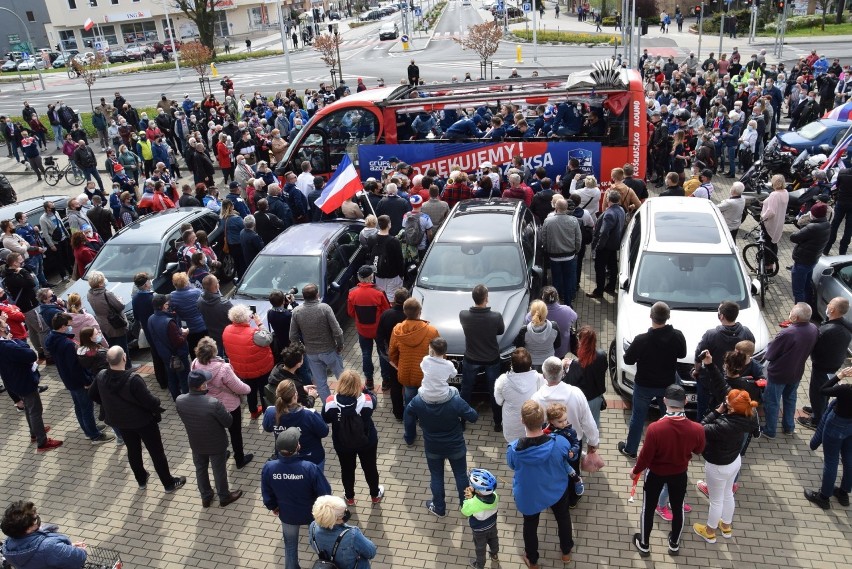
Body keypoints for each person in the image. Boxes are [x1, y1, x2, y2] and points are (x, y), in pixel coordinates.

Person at [89, 346, 187, 492]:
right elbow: (150, 401)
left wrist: (108, 403)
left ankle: (141, 480)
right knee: (156, 453)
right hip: (144, 422)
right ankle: (168, 483)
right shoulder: (133, 379)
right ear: (124, 358)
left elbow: (92, 394)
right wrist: (157, 401)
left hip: (121, 422)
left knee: (133, 450)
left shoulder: (101, 375)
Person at [404, 337, 478, 517]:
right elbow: (473, 417)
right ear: (444, 353)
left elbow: (408, 413)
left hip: (433, 447)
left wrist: (410, 433)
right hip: (456, 446)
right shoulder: (454, 399)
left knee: (436, 477)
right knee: (461, 476)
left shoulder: (418, 401)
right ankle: (466, 507)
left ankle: (439, 508)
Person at [631, 384, 705, 556]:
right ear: (685, 402)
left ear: (665, 401)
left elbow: (646, 456)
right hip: (679, 474)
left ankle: (644, 544)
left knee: (647, 509)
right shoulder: (697, 429)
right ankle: (674, 544)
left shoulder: (655, 428)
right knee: (678, 508)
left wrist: (635, 470)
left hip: (655, 474)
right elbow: (699, 450)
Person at [691, 367, 761, 542]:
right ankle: (726, 527)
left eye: (727, 403)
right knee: (728, 494)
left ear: (731, 408)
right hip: (734, 462)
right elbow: (724, 387)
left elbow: (699, 429)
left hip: (718, 466)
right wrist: (710, 365)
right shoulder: (749, 415)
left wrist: (716, 412)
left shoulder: (723, 425)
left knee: (716, 501)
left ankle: (709, 532)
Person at [507, 400, 575, 568]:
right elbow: (568, 457)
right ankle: (566, 552)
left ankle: (533, 560)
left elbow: (512, 465)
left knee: (530, 525)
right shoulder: (560, 442)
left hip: (530, 495)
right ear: (544, 420)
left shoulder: (514, 449)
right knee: (563, 518)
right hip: (556, 490)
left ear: (522, 421)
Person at [617, 302, 687, 459]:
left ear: (651, 316)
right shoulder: (677, 336)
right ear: (668, 317)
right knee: (668, 418)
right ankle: (665, 450)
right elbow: (682, 354)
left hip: (644, 385)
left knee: (638, 417)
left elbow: (628, 360)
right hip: (667, 385)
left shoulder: (641, 340)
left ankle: (631, 449)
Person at [532, 357, 600, 507]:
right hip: (573, 444)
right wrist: (593, 442)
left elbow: (533, 426)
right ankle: (573, 499)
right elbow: (588, 420)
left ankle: (555, 500)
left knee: (553, 472)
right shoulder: (576, 393)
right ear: (563, 373)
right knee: (572, 471)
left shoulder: (536, 398)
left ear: (544, 376)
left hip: (548, 444)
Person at [261, 427, 332, 569]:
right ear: (297, 447)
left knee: (290, 547)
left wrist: (273, 507)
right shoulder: (309, 468)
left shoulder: (269, 467)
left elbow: (266, 493)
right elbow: (325, 493)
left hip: (287, 515)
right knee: (320, 545)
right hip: (312, 515)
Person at [175, 370, 243, 508]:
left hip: (196, 443)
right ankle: (224, 496)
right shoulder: (213, 403)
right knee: (219, 470)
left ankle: (206, 497)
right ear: (201, 386)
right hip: (216, 443)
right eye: (205, 383)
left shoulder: (180, 400)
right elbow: (228, 422)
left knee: (200, 468)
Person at [45, 313, 115, 444]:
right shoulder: (67, 344)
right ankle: (94, 435)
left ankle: (88, 429)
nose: (71, 328)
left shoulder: (52, 339)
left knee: (79, 406)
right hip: (77, 381)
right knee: (86, 407)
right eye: (69, 326)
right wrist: (86, 381)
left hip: (68, 379)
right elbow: (75, 367)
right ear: (62, 327)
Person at [0, 311, 61, 452]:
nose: (7, 326)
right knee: (35, 410)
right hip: (23, 381)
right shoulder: (8, 346)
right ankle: (42, 441)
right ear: (2, 330)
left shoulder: (6, 344)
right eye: (5, 324)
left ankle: (34, 432)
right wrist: (17, 343)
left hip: (13, 381)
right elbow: (30, 354)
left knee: (29, 407)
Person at [322, 370, 384, 505]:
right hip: (367, 441)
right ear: (358, 385)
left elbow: (325, 418)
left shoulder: (330, 402)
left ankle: (349, 497)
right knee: (370, 468)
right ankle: (375, 495)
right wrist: (366, 389)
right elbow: (374, 401)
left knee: (347, 469)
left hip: (342, 443)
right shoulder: (366, 401)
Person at [191, 336, 254, 469]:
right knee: (235, 433)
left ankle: (223, 453)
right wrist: (248, 389)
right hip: (229, 406)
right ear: (214, 351)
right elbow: (238, 387)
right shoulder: (223, 368)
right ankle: (239, 459)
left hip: (208, 404)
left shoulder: (195, 364)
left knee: (217, 431)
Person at [763, 303, 819, 438]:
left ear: (795, 316)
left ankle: (770, 430)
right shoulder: (813, 329)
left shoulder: (787, 333)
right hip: (797, 372)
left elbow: (769, 354)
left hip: (779, 373)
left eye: (792, 312)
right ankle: (789, 427)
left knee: (772, 401)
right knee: (790, 399)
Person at [693, 300, 755, 419]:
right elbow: (750, 349)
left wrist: (696, 370)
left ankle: (700, 430)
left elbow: (698, 356)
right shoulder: (746, 332)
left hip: (709, 383)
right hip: (734, 381)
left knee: (702, 409)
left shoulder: (711, 335)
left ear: (721, 316)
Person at [800, 297, 852, 430]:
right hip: (835, 363)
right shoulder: (846, 324)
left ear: (833, 309)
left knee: (818, 392)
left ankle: (817, 420)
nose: (828, 305)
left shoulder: (827, 330)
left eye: (830, 304)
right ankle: (820, 409)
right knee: (827, 388)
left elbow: (813, 345)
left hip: (822, 365)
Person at [805, 366, 852, 509]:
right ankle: (844, 492)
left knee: (831, 461)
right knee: (849, 459)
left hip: (836, 425)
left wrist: (839, 376)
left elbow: (822, 390)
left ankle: (824, 497)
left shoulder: (845, 390)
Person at [459, 284, 505, 430]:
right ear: (486, 298)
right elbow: (500, 331)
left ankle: (462, 421)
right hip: (491, 358)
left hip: (471, 358)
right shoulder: (496, 316)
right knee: (493, 390)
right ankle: (497, 422)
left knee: (466, 389)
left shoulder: (463, 315)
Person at [289, 283, 344, 402]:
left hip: (311, 354)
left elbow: (292, 336)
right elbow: (337, 331)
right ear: (317, 295)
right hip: (330, 350)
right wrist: (340, 345)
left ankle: (328, 407)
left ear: (303, 297)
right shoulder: (324, 308)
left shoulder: (297, 312)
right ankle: (346, 401)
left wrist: (302, 349)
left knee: (321, 383)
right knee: (342, 379)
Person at [222, 304, 274, 418]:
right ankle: (267, 413)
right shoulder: (254, 333)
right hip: (261, 369)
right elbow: (268, 338)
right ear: (247, 317)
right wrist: (259, 323)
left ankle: (253, 411)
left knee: (250, 390)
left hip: (242, 369)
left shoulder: (227, 330)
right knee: (264, 390)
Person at [1, 501, 87, 567]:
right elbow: (78, 558)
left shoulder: (8, 545)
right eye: (35, 519)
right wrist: (81, 550)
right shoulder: (50, 547)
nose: (38, 519)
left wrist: (64, 548)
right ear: (28, 529)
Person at [347, 266, 390, 391]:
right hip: (378, 330)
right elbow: (386, 311)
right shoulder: (379, 292)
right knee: (382, 354)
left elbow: (350, 312)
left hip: (362, 330)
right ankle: (386, 381)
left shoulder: (352, 292)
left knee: (366, 354)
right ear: (371, 277)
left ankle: (369, 381)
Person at [309, 495, 378, 569]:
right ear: (335, 520)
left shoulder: (313, 527)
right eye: (343, 513)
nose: (347, 512)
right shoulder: (352, 535)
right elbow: (371, 553)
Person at [494, 348, 544, 443]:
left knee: (514, 449)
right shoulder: (539, 379)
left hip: (511, 426)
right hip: (532, 425)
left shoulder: (503, 380)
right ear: (530, 364)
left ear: (511, 364)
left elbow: (499, 401)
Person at [563, 325, 607, 428]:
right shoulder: (602, 355)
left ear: (580, 342)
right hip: (596, 398)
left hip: (581, 401)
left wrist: (565, 367)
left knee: (578, 428)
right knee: (594, 426)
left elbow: (568, 383)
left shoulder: (576, 364)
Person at [541, 198, 582, 306]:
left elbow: (544, 238)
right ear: (566, 208)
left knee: (556, 281)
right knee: (569, 281)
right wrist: (576, 251)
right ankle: (568, 304)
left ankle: (555, 304)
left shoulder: (548, 221)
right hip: (569, 256)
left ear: (556, 207)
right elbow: (578, 239)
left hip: (554, 257)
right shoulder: (573, 220)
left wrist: (547, 250)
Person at [789, 202, 831, 304]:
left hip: (802, 262)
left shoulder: (812, 227)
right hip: (812, 260)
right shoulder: (826, 224)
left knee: (798, 290)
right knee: (807, 286)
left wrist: (805, 224)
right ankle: (808, 306)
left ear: (814, 214)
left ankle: (799, 314)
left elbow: (794, 237)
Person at [587, 190, 625, 299]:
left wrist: (599, 246)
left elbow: (604, 232)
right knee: (613, 266)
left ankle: (598, 291)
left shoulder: (609, 214)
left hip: (605, 246)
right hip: (614, 244)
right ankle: (611, 286)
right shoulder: (621, 209)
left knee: (600, 268)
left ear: (608, 199)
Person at [461, 468, 500, 569]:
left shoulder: (473, 503)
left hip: (479, 530)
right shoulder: (495, 496)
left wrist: (468, 498)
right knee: (493, 540)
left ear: (478, 490)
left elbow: (465, 511)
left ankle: (480, 565)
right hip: (492, 525)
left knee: (480, 548)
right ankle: (494, 554)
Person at [170, 272, 208, 357]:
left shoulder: (172, 296)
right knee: (206, 348)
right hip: (201, 324)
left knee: (192, 349)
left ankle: (195, 367)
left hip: (186, 327)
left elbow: (172, 311)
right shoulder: (197, 292)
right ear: (187, 281)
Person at [760, 174, 790, 273]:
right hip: (779, 223)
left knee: (767, 245)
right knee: (774, 244)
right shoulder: (785, 192)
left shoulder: (774, 194)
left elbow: (771, 211)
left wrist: (763, 218)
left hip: (770, 223)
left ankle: (766, 267)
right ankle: (771, 266)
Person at [197, 274, 233, 352]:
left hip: (213, 335)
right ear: (216, 286)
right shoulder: (225, 304)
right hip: (226, 337)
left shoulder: (200, 301)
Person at [824, 167, 852, 255]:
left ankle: (826, 249)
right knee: (849, 229)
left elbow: (837, 185)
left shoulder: (842, 172)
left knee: (834, 225)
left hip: (841, 202)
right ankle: (842, 252)